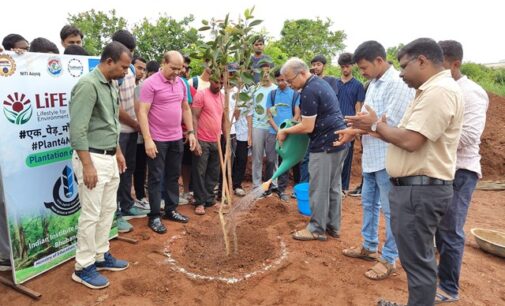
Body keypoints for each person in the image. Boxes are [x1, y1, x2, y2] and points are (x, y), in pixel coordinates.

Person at [343, 38, 464, 306]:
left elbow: (410, 140)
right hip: (415, 187)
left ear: (422, 60)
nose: (401, 72)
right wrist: (375, 126)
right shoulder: (429, 91)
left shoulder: (439, 92)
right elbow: (403, 134)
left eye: (405, 65)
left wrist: (374, 125)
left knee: (418, 263)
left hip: (421, 189)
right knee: (415, 260)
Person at [341, 41, 413, 281]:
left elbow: (391, 125)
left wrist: (363, 126)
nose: (362, 72)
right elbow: (369, 120)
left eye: (364, 67)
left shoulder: (398, 84)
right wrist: (353, 130)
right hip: (371, 155)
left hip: (388, 158)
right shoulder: (372, 84)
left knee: (391, 211)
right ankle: (369, 246)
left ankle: (389, 258)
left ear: (379, 61)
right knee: (369, 204)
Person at [69, 41, 132, 289]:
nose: (126, 72)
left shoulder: (111, 85)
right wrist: (87, 165)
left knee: (107, 211)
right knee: (91, 215)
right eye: (124, 67)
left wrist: (117, 152)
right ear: (109, 62)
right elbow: (78, 129)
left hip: (108, 157)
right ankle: (83, 267)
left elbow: (109, 123)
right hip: (92, 158)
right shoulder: (87, 85)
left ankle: (100, 255)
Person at [434, 40, 489, 304]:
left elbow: (469, 136)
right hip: (440, 168)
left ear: (454, 64)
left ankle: (448, 288)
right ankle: (439, 275)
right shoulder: (441, 89)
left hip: (460, 171)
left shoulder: (471, 93)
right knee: (437, 229)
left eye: (439, 63)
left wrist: (428, 135)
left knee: (450, 231)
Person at [278, 58, 350, 241]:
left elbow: (307, 126)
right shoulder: (320, 83)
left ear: (302, 73)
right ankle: (333, 226)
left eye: (290, 80)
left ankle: (316, 228)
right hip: (339, 141)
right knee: (333, 186)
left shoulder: (309, 90)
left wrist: (285, 130)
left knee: (318, 187)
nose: (289, 84)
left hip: (325, 144)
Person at [138, 51, 196, 234]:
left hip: (176, 137)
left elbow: (185, 107)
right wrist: (148, 139)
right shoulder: (150, 84)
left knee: (173, 175)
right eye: (173, 68)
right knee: (155, 177)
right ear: (164, 63)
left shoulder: (181, 83)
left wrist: (191, 132)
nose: (177, 72)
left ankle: (171, 209)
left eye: (180, 69)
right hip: (157, 139)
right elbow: (142, 112)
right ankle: (155, 215)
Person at [112, 30, 147, 233]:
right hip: (119, 131)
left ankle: (127, 205)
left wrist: (138, 121)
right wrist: (133, 123)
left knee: (128, 169)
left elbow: (133, 98)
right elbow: (113, 106)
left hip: (132, 128)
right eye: (128, 51)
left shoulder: (130, 70)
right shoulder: (112, 71)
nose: (131, 56)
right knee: (116, 172)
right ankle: (115, 213)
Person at [266, 69, 301, 201]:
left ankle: (281, 190)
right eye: (278, 80)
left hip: (288, 133)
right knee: (270, 160)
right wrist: (277, 129)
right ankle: (267, 187)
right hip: (272, 132)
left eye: (283, 80)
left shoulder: (294, 94)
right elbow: (268, 115)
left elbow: (297, 114)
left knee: (284, 161)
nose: (281, 82)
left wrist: (286, 129)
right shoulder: (272, 94)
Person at [191, 78, 225, 215]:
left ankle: (209, 199)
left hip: (216, 140)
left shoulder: (223, 97)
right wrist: (196, 140)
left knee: (213, 172)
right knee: (200, 172)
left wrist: (226, 140)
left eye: (221, 83)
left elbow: (223, 120)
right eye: (217, 82)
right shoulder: (201, 94)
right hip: (203, 139)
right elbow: (194, 117)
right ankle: (199, 202)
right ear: (211, 80)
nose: (219, 85)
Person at [335, 52, 366, 193]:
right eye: (342, 67)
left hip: (349, 125)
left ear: (352, 66)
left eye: (347, 66)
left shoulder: (358, 85)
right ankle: (333, 187)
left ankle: (343, 187)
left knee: (347, 158)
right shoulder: (335, 83)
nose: (345, 69)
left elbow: (358, 107)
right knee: (334, 155)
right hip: (334, 125)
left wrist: (355, 126)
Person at [247, 60, 277, 194]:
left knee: (273, 158)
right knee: (257, 157)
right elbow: (249, 111)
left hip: (272, 127)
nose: (265, 74)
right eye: (263, 71)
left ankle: (273, 184)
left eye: (268, 71)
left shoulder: (276, 89)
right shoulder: (254, 89)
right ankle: (256, 186)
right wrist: (249, 134)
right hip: (257, 126)